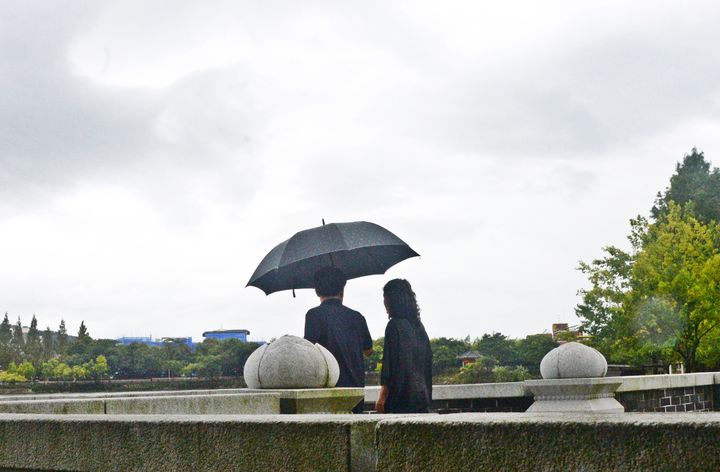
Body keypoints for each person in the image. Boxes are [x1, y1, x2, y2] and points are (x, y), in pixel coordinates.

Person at [304, 266, 373, 412]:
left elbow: (308, 352)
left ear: (317, 292)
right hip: (356, 391)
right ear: (342, 290)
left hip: (327, 391)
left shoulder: (313, 316)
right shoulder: (357, 317)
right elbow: (368, 351)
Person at [375, 278, 432, 414]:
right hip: (421, 396)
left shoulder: (394, 326)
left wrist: (382, 397)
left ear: (392, 300)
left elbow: (389, 366)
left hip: (400, 396)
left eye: (385, 297)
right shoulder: (419, 327)